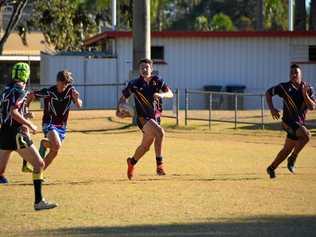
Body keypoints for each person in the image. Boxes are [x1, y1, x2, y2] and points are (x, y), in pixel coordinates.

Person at [0, 62, 57, 210]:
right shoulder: (20, 90)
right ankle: (39, 202)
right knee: (39, 165)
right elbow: (13, 112)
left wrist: (24, 115)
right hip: (18, 133)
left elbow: (8, 112)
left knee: (0, 173)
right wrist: (30, 124)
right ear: (26, 74)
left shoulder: (6, 89)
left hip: (4, 132)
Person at [117, 58, 173, 180]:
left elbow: (170, 93)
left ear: (151, 69)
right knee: (160, 133)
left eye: (147, 67)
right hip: (143, 118)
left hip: (156, 117)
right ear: (139, 70)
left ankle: (131, 162)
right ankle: (160, 165)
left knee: (145, 147)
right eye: (142, 67)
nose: (144, 69)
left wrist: (161, 94)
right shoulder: (134, 84)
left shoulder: (157, 80)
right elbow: (123, 98)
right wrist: (121, 108)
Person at [22, 70, 82, 171]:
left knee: (55, 150)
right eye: (64, 82)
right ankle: (43, 150)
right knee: (56, 145)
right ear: (58, 81)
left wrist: (76, 99)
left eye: (67, 83)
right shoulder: (49, 92)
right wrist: (26, 109)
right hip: (49, 124)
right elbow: (31, 95)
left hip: (62, 127)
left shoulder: (70, 91)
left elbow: (79, 105)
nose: (65, 85)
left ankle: (38, 172)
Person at [266, 64, 316, 178]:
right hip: (287, 122)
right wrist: (272, 108)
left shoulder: (308, 89)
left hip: (298, 123)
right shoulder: (284, 87)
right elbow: (268, 93)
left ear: (301, 75)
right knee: (307, 135)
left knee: (287, 149)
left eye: (296, 73)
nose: (293, 75)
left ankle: (271, 168)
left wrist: (305, 95)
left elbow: (312, 107)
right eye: (291, 73)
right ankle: (292, 159)